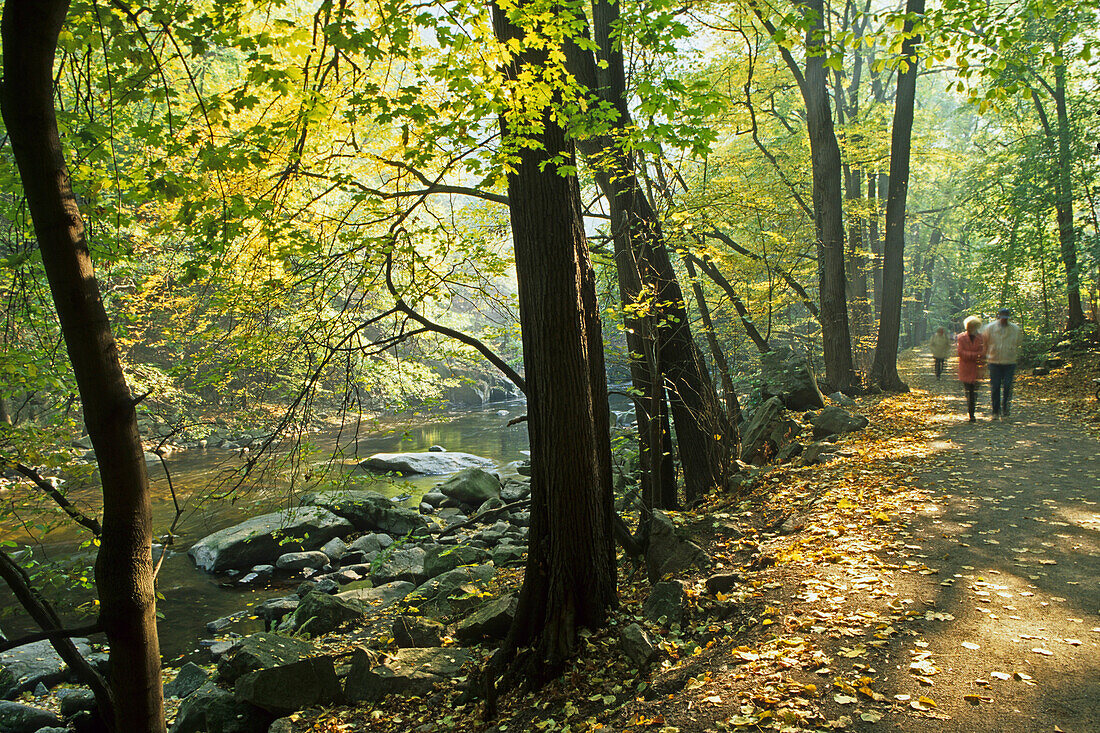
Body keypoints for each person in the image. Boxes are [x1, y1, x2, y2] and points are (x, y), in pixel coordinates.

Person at [981, 307, 1022, 419]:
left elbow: (1018, 343)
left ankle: (1006, 410)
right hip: (994, 361)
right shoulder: (990, 328)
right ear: (998, 317)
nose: (1004, 320)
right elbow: (985, 343)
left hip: (1010, 361)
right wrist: (984, 358)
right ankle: (995, 411)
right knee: (995, 387)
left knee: (1008, 386)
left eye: (1006, 318)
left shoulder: (1015, 329)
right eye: (1002, 317)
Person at [957, 316, 985, 422]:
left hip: (977, 368)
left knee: (974, 391)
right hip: (966, 368)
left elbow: (984, 352)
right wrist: (975, 355)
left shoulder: (981, 337)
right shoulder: (961, 337)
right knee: (968, 391)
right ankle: (971, 412)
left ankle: (972, 411)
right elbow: (961, 352)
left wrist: (980, 357)